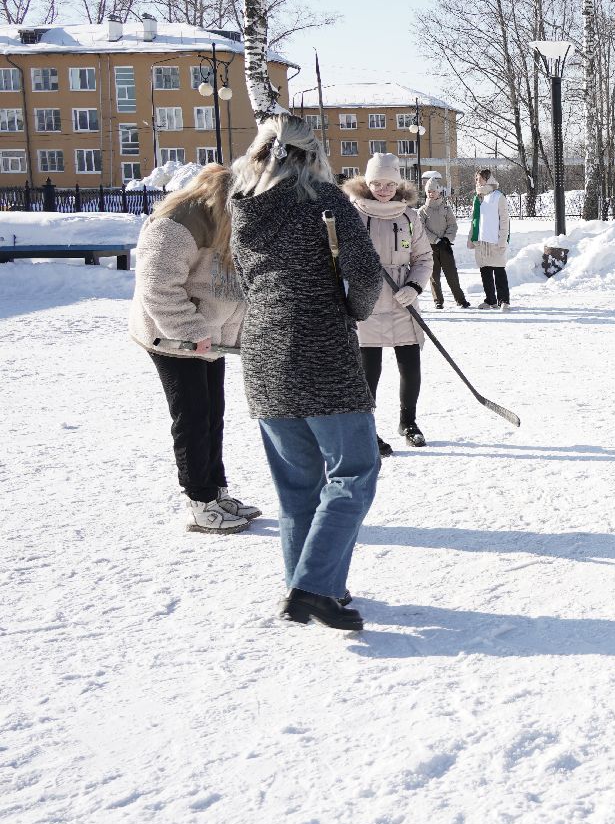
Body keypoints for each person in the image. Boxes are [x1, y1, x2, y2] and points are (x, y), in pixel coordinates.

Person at [230, 113, 384, 631]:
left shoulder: (243, 208)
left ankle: (311, 586)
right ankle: (315, 588)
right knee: (354, 471)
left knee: (297, 487)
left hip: (264, 354)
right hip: (321, 350)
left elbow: (248, 284)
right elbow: (363, 276)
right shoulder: (325, 200)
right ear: (312, 154)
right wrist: (355, 312)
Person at [128, 163, 259, 534]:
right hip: (171, 337)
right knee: (192, 417)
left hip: (206, 336)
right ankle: (200, 502)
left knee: (213, 412)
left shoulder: (231, 220)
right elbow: (157, 286)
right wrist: (190, 329)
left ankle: (216, 490)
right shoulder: (178, 223)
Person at [345, 153, 433, 454]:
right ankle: (365, 430)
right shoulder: (353, 214)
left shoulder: (409, 217)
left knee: (410, 364)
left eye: (389, 183)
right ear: (367, 183)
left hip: (401, 300)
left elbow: (423, 258)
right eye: (376, 183)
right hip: (366, 301)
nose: (383, 189)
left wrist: (415, 286)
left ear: (398, 184)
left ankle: (408, 421)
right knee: (369, 370)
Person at [420, 174, 470, 309]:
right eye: (429, 192)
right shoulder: (422, 211)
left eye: (434, 191)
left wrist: (446, 239)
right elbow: (422, 229)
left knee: (452, 274)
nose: (431, 194)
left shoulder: (446, 209)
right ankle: (438, 300)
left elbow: (453, 225)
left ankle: (460, 299)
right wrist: (436, 240)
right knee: (434, 276)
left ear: (438, 192)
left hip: (445, 246)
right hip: (430, 247)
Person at [467, 168, 510, 309]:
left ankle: (503, 300)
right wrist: (470, 238)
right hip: (480, 241)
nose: (477, 181)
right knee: (485, 271)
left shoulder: (498, 196)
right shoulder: (478, 197)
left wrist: (503, 239)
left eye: (479, 179)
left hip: (495, 240)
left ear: (488, 179)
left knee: (499, 271)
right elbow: (474, 219)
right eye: (476, 179)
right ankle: (490, 300)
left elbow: (504, 220)